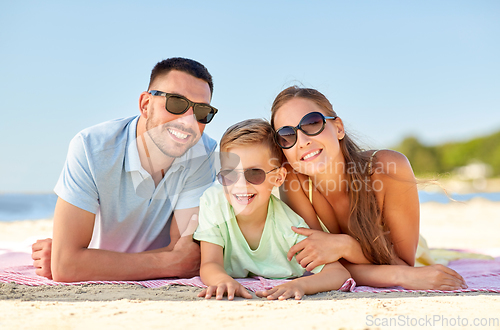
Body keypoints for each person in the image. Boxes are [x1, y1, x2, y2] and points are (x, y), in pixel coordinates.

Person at [31, 57, 218, 282]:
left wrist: (86, 261)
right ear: (145, 104)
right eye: (176, 103)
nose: (188, 121)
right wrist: (169, 262)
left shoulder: (203, 151)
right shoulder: (91, 147)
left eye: (201, 112)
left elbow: (188, 256)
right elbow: (67, 267)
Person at [270, 86, 468, 291]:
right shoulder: (295, 182)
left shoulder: (387, 168)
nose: (302, 142)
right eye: (286, 135)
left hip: (403, 252)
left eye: (312, 123)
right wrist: (399, 275)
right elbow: (325, 267)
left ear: (338, 128)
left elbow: (403, 264)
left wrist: (346, 246)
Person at [193, 119, 351, 300]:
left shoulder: (289, 226)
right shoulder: (214, 202)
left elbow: (339, 273)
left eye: (254, 173)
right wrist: (222, 280)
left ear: (277, 178)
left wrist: (301, 284)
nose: (241, 185)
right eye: (229, 174)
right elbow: (209, 263)